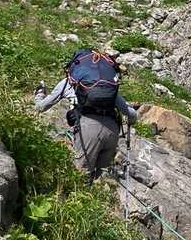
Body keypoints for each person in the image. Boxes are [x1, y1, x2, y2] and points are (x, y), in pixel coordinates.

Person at [34, 48, 138, 183]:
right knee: (103, 179)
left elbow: (40, 107)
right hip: (112, 131)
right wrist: (130, 121)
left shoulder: (69, 82)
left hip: (88, 129)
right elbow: (131, 114)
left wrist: (39, 95)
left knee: (80, 178)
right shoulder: (106, 85)